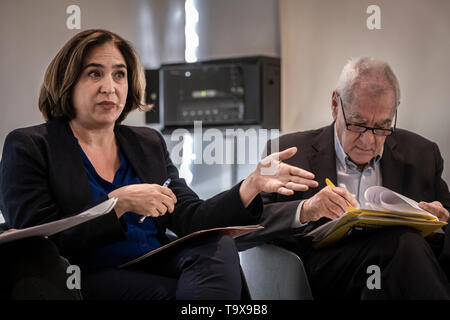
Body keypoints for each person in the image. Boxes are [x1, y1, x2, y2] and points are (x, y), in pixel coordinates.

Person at [0, 29, 318, 300]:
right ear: (67, 81)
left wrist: (251, 185)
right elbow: (38, 243)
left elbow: (191, 217)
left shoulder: (146, 142)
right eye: (94, 73)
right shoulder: (30, 145)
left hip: (153, 261)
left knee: (215, 243)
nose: (109, 86)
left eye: (119, 74)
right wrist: (117, 205)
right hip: (83, 274)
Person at [237, 57, 450, 299]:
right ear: (335, 105)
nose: (369, 141)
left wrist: (439, 225)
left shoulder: (422, 154)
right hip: (320, 275)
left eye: (382, 126)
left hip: (395, 273)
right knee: (403, 245)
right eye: (358, 124)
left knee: (401, 254)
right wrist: (306, 209)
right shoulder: (291, 151)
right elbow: (245, 229)